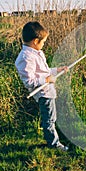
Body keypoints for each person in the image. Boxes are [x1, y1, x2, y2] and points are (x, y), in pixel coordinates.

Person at [15, 21, 69, 151]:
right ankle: (54, 144)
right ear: (35, 41)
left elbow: (44, 71)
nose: (44, 44)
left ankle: (53, 140)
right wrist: (46, 79)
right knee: (49, 120)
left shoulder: (37, 52)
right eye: (43, 41)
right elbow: (29, 81)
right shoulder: (26, 57)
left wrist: (57, 70)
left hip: (48, 90)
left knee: (51, 117)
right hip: (44, 93)